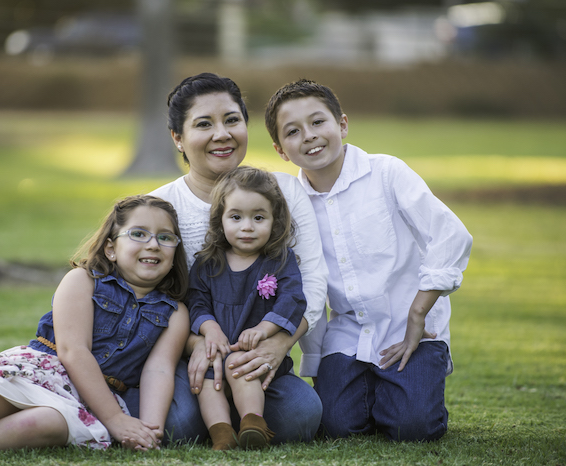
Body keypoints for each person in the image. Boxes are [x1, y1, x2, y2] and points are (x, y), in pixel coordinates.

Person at [0, 195, 190, 453]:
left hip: (93, 397)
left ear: (175, 250)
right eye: (138, 234)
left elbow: (159, 370)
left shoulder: (174, 313)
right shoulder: (82, 281)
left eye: (165, 238)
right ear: (111, 247)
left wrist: (148, 429)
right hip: (41, 370)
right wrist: (116, 420)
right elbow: (73, 351)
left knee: (43, 425)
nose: (153, 245)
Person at [264, 79, 473, 441]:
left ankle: (409, 386)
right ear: (281, 149)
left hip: (414, 328)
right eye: (293, 131)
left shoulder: (386, 172)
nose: (310, 136)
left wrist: (418, 313)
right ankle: (376, 388)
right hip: (349, 333)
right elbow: (304, 282)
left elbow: (451, 235)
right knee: (334, 425)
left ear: (342, 125)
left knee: (414, 428)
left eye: (318, 122)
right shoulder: (290, 203)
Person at [150, 72, 328, 445]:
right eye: (204, 124)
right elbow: (155, 299)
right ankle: (218, 421)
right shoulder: (161, 207)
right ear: (178, 138)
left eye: (232, 120)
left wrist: (277, 344)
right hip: (195, 354)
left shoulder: (285, 192)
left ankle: (248, 417)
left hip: (260, 353)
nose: (222, 134)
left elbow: (309, 280)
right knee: (180, 427)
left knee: (301, 417)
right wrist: (198, 344)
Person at [187, 166, 306, 450]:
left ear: (275, 222)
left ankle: (253, 423)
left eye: (259, 217)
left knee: (238, 365)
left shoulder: (279, 260)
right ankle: (222, 433)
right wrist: (209, 328)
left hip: (252, 356)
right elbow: (196, 300)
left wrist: (265, 328)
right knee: (208, 379)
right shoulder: (208, 262)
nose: (247, 226)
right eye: (236, 217)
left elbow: (293, 298)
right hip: (216, 350)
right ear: (221, 220)